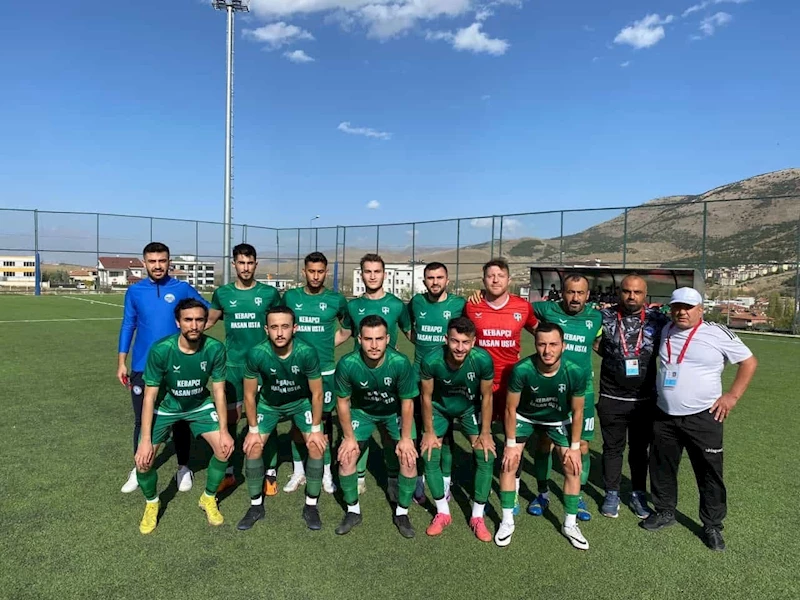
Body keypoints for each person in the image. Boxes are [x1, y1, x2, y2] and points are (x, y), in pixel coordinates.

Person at [642, 287, 757, 551]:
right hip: (665, 414)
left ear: (700, 309)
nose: (681, 312)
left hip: (704, 416)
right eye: (677, 307)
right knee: (662, 467)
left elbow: (749, 362)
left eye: (688, 307)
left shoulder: (717, 333)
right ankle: (665, 511)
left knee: (709, 472)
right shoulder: (665, 329)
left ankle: (712, 525)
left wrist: (732, 397)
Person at [134, 298, 233, 534]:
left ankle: (208, 497)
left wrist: (224, 431)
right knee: (143, 462)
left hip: (199, 405)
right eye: (188, 320)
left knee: (224, 449)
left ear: (206, 322)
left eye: (199, 320)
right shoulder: (161, 350)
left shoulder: (215, 349)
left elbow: (219, 391)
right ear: (178, 322)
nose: (194, 325)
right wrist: (145, 440)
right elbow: (149, 397)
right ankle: (152, 503)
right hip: (165, 408)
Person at [118, 242, 208, 494]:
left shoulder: (182, 288)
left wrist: (194, 337)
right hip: (142, 366)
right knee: (141, 420)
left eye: (162, 260)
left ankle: (183, 467)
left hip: (177, 367)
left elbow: (208, 312)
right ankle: (139, 468)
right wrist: (121, 362)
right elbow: (128, 325)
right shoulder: (135, 291)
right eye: (152, 261)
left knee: (180, 419)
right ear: (144, 263)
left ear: (169, 262)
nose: (157, 266)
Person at [496, 323, 589, 550]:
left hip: (558, 420)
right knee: (509, 462)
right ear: (536, 345)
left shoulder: (575, 371)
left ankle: (570, 525)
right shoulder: (522, 369)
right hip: (525, 417)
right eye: (542, 344)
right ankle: (507, 521)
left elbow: (578, 412)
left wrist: (574, 448)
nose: (547, 351)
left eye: (553, 344)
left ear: (563, 346)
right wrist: (510, 444)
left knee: (572, 466)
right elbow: (510, 408)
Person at [235, 306, 327, 531]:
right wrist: (252, 431)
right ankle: (256, 506)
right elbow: (249, 395)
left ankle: (311, 506)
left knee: (316, 446)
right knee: (253, 447)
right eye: (274, 327)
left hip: (300, 403)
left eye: (285, 326)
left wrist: (316, 428)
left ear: (294, 328)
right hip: (269, 404)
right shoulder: (257, 353)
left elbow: (317, 393)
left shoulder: (306, 352)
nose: (279, 333)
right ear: (266, 329)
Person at [334, 315, 419, 538]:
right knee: (346, 457)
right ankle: (353, 511)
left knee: (408, 458)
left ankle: (402, 513)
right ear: (359, 339)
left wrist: (406, 438)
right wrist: (348, 438)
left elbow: (407, 402)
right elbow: (342, 402)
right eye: (368, 339)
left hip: (393, 413)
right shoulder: (348, 364)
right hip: (362, 413)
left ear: (387, 339)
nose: (374, 345)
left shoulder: (400, 362)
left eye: (379, 339)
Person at [206, 243, 281, 494]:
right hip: (232, 366)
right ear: (234, 264)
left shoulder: (269, 294)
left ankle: (270, 473)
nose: (246, 268)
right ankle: (228, 472)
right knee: (230, 418)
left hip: (262, 366)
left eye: (250, 263)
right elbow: (209, 320)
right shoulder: (222, 293)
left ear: (256, 264)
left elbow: (280, 322)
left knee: (265, 418)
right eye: (241, 263)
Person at [594, 274, 669, 518]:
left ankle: (638, 493)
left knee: (639, 450)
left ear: (645, 294)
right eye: (626, 291)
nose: (631, 296)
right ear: (619, 292)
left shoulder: (658, 320)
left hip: (644, 399)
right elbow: (587, 335)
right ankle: (611, 493)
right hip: (611, 396)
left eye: (637, 292)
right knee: (612, 448)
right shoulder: (603, 316)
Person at [530, 273, 602, 520]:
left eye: (580, 293)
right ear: (562, 293)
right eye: (570, 292)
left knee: (582, 445)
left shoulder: (596, 317)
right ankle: (542, 492)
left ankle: (577, 494)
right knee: (545, 442)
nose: (575, 298)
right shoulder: (547, 309)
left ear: (588, 295)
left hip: (583, 389)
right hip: (550, 388)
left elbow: (599, 342)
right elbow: (518, 309)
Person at [279, 252, 351, 496]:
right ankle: (299, 470)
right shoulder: (291, 297)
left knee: (324, 424)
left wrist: (330, 344)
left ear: (326, 272)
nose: (316, 276)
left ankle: (326, 473)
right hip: (296, 371)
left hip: (325, 371)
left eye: (320, 271)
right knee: (297, 422)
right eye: (312, 271)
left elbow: (347, 328)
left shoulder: (336, 300)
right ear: (304, 272)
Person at [419, 317, 495, 541]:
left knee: (485, 454)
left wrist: (486, 433)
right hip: (439, 409)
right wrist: (429, 432)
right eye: (455, 341)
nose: (460, 348)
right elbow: (426, 396)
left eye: (465, 342)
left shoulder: (482, 360)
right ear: (446, 339)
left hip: (468, 408)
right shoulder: (432, 360)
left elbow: (487, 396)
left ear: (473, 342)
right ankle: (443, 512)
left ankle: (477, 517)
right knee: (429, 453)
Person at [345, 253, 412, 494]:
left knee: (387, 432)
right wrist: (314, 343)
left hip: (390, 378)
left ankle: (392, 478)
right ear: (362, 274)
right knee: (358, 433)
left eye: (377, 271)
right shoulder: (353, 306)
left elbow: (411, 333)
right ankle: (359, 477)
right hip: (359, 376)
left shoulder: (397, 305)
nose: (372, 276)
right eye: (368, 271)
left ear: (384, 274)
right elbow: (344, 333)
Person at [407, 261, 466, 503]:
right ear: (424, 281)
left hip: (447, 381)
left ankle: (445, 481)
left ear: (447, 280)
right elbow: (408, 329)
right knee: (420, 432)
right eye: (430, 278)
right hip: (419, 379)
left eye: (439, 277)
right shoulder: (416, 302)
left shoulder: (460, 304)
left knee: (447, 436)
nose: (435, 282)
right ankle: (419, 480)